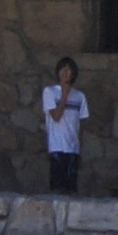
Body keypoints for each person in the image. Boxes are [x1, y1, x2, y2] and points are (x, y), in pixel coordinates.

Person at [41, 57, 88, 195]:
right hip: (57, 146)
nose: (65, 72)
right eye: (62, 69)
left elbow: (82, 123)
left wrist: (79, 147)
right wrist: (64, 96)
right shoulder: (49, 92)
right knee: (57, 188)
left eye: (69, 69)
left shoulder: (80, 96)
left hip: (72, 147)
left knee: (71, 189)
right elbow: (56, 116)